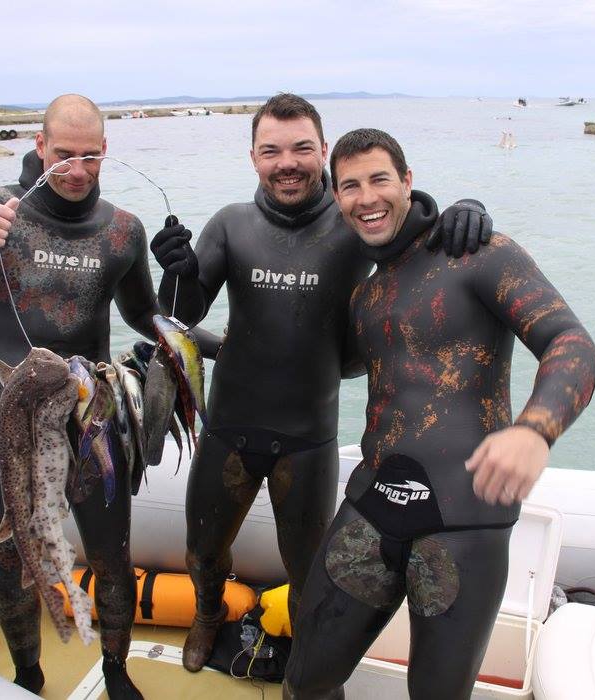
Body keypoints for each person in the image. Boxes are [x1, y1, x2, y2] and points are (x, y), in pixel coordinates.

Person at [148, 93, 494, 672]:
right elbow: (183, 314)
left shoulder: (355, 221)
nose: (287, 162)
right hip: (229, 426)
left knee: (309, 570)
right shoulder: (231, 224)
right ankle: (208, 614)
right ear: (253, 158)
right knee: (202, 552)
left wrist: (465, 208)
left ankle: (305, 661)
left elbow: (414, 229)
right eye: (271, 151)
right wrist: (174, 272)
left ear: (324, 151)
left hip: (307, 438)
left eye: (302, 148)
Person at [283, 128, 595, 699]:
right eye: (350, 186)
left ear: (407, 180)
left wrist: (535, 431)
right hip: (371, 506)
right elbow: (334, 361)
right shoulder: (365, 294)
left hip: (465, 521)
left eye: (380, 179)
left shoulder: (479, 254)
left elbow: (571, 343)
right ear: (336, 197)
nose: (367, 197)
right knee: (305, 680)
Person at [0, 94, 155, 699]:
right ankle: (27, 678)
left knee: (112, 558)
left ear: (105, 150)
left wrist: (209, 328)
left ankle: (116, 672)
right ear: (39, 146)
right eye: (63, 154)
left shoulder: (122, 230)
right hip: (10, 430)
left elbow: (147, 315)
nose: (76, 169)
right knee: (10, 561)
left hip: (91, 427)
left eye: (89, 156)